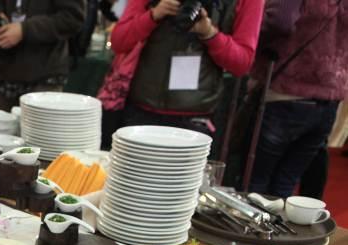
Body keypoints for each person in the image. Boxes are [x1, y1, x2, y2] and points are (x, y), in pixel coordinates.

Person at [110, 0, 264, 137]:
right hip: (140, 110)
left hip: (195, 119)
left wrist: (210, 34)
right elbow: (119, 41)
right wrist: (153, 15)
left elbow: (242, 63)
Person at [246, 0, 348, 198]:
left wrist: (248, 39)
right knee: (285, 183)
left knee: (255, 183)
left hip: (285, 90)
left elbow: (279, 21)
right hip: (329, 97)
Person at [0, 0, 86, 110]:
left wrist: (25, 30)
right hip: (3, 75)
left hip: (43, 77)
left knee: (39, 121)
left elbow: (73, 18)